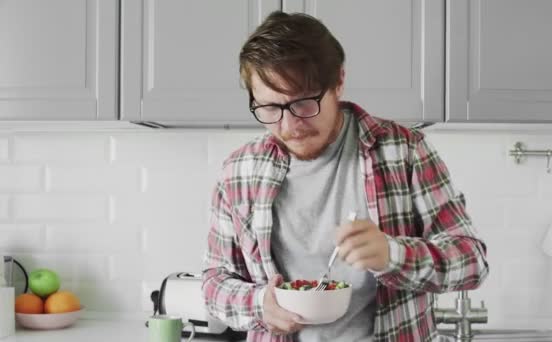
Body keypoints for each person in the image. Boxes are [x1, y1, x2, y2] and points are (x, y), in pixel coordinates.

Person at [202, 11, 489, 342]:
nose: (288, 126)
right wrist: (257, 304)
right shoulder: (239, 172)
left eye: (304, 104)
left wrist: (393, 255)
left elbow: (472, 262)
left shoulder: (405, 152)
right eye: (269, 108)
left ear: (338, 81)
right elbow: (213, 283)